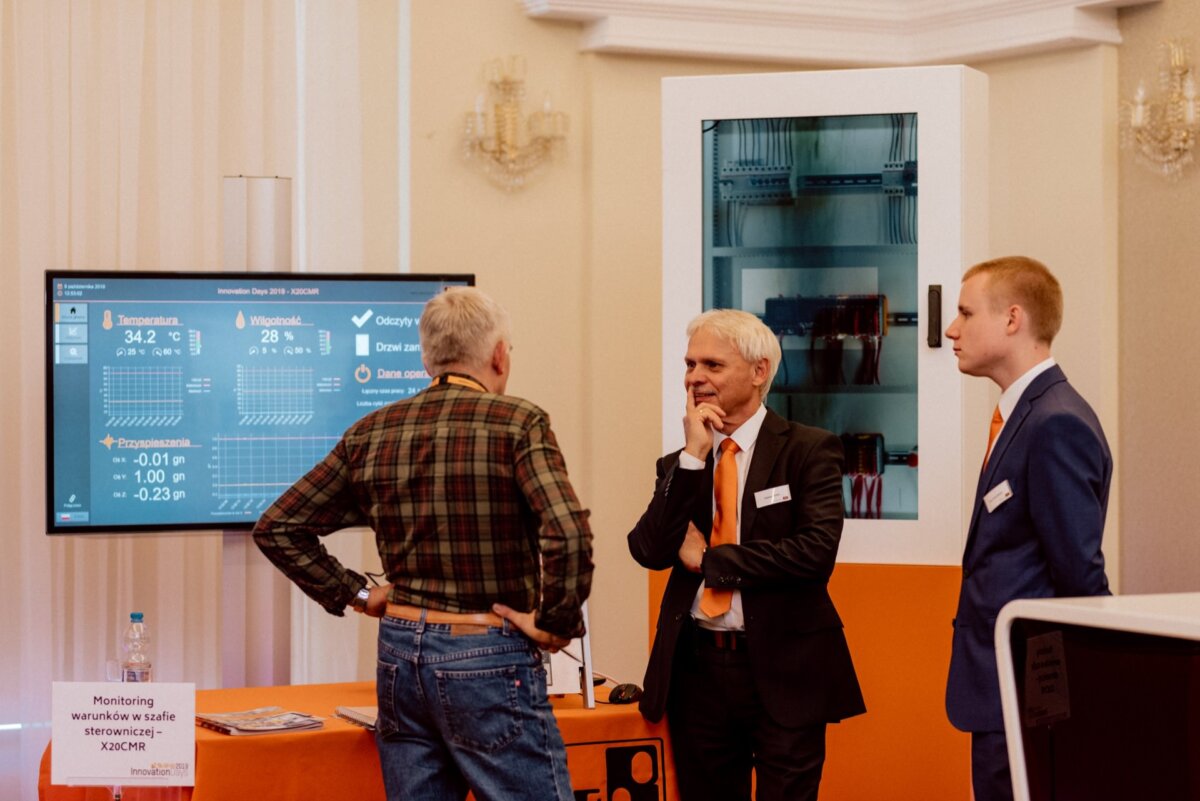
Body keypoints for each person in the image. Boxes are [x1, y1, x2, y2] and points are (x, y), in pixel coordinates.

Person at [253, 286, 594, 801]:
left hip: (399, 652)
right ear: (499, 355)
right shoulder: (519, 423)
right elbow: (568, 532)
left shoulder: (370, 432)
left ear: (427, 355)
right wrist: (555, 625)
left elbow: (278, 526)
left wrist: (360, 594)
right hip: (487, 651)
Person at [627, 308, 865, 801]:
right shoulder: (681, 463)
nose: (695, 378)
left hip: (786, 672)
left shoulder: (808, 450)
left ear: (759, 373)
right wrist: (694, 457)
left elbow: (814, 553)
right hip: (696, 673)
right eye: (690, 365)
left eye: (712, 365)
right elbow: (649, 549)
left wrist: (709, 561)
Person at [944, 256, 1111, 801]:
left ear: (1013, 319)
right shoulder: (1022, 414)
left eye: (966, 313)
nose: (951, 329)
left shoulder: (1054, 420)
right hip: (999, 685)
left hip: (1028, 688)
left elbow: (1079, 575)